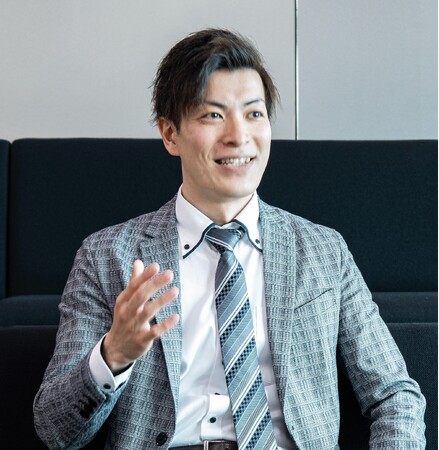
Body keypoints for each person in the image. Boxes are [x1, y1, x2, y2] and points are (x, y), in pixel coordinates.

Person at [34, 28, 426, 450]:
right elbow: (55, 430)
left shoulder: (324, 251)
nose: (239, 136)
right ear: (170, 134)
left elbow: (395, 396)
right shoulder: (106, 256)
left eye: (254, 114)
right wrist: (113, 354)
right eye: (213, 115)